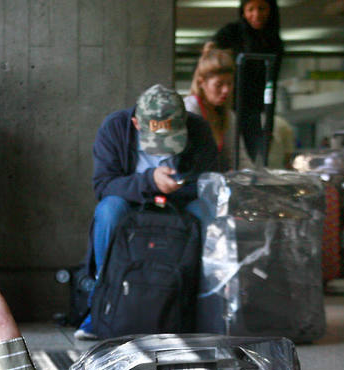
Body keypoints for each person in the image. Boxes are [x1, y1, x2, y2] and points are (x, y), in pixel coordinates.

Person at [74, 83, 219, 340]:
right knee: (109, 210)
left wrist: (177, 187)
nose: (163, 149)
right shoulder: (115, 128)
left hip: (181, 203)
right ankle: (99, 306)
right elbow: (104, 185)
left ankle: (201, 304)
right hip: (132, 206)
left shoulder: (199, 129)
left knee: (207, 215)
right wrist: (150, 182)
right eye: (157, 140)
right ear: (137, 124)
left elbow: (209, 184)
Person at [211, 0, 284, 163]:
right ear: (243, 12)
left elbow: (272, 83)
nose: (256, 14)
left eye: (262, 8)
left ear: (271, 11)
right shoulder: (229, 34)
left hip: (252, 110)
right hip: (226, 105)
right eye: (251, 9)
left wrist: (269, 124)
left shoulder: (275, 43)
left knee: (254, 157)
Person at [184, 43, 254, 171]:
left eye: (229, 83)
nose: (226, 90)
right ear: (201, 83)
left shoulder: (228, 116)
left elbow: (240, 158)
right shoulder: (189, 110)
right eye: (219, 85)